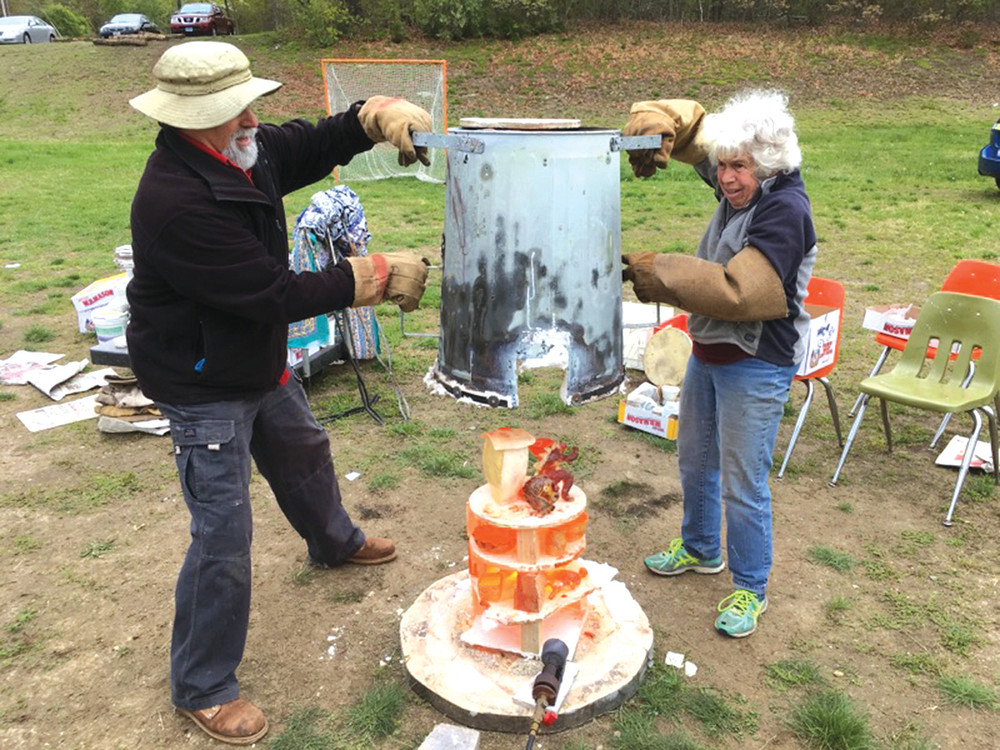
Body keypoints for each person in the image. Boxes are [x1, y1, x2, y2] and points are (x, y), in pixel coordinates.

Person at [127, 40, 432, 744]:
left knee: (301, 449)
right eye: (239, 109)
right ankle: (202, 684)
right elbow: (272, 293)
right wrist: (375, 273)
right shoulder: (176, 202)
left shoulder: (241, 149)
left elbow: (306, 140)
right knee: (223, 535)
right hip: (200, 378)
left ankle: (334, 542)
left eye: (251, 105)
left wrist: (373, 116)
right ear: (193, 118)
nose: (253, 120)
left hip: (252, 359)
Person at [621, 90, 816, 638]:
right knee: (695, 461)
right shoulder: (745, 183)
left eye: (739, 167)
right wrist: (661, 121)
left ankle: (751, 587)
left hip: (756, 363)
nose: (726, 178)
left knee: (743, 482)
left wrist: (661, 273)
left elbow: (740, 292)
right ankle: (703, 548)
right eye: (723, 166)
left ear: (769, 166)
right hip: (709, 353)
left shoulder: (784, 210)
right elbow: (697, 138)